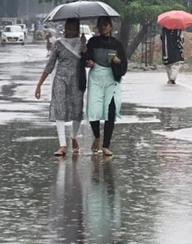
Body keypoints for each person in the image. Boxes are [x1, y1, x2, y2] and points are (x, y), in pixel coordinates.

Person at [35, 18, 86, 157]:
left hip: (77, 81)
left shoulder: (82, 44)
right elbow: (49, 65)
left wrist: (84, 46)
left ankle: (74, 137)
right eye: (68, 28)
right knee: (59, 110)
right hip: (60, 80)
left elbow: (87, 62)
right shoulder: (59, 44)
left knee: (77, 112)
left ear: (77, 29)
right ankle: (62, 145)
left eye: (73, 29)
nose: (70, 31)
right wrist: (39, 84)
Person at [84, 16, 127, 157]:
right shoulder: (92, 42)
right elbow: (86, 59)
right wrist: (87, 61)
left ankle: (106, 145)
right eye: (100, 25)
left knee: (110, 110)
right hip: (96, 77)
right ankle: (96, 136)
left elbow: (124, 64)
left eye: (106, 25)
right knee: (93, 109)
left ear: (111, 27)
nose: (103, 27)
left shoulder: (117, 44)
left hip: (111, 78)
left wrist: (118, 61)